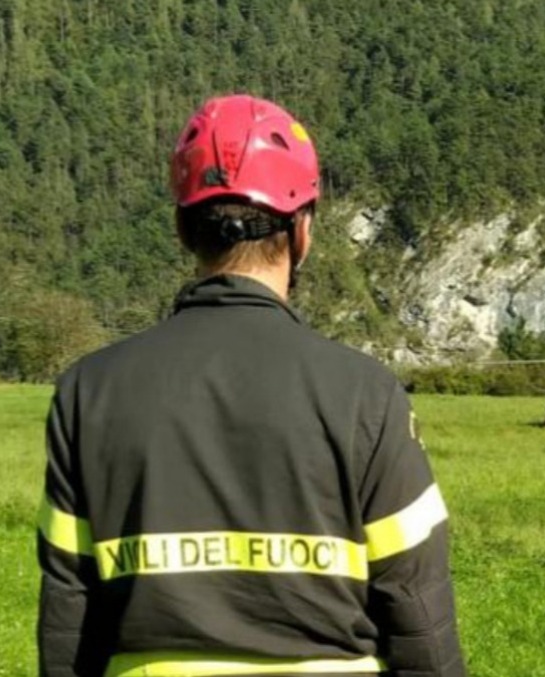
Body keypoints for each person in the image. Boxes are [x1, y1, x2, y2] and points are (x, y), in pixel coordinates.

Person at [36, 95, 465, 677]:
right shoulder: (367, 394)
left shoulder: (86, 392)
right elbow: (417, 610)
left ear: (182, 228)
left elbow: (69, 616)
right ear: (302, 231)